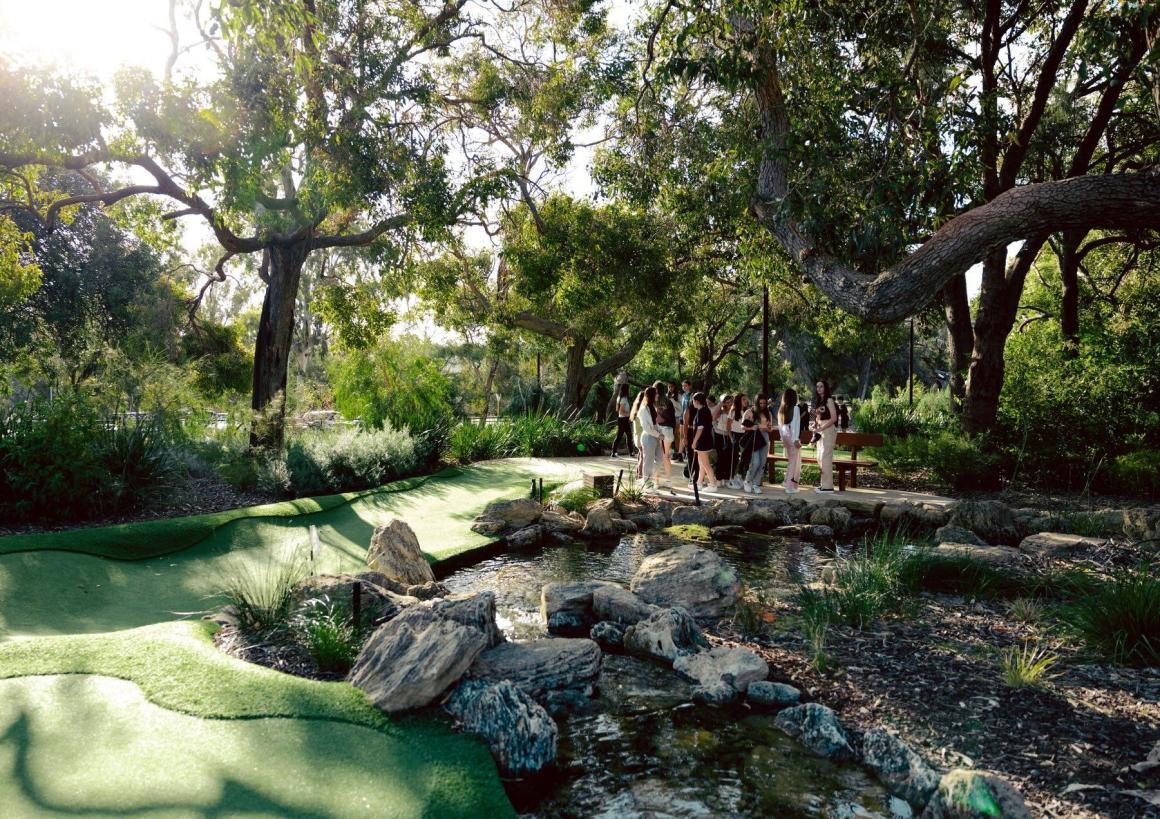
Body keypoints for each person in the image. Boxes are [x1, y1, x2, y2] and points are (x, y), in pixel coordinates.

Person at [632, 386, 664, 491]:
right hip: (648, 437)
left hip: (656, 436)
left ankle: (647, 479)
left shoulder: (653, 407)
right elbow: (646, 427)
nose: (658, 395)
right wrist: (658, 434)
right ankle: (647, 483)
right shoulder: (643, 409)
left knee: (659, 460)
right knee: (648, 461)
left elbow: (655, 423)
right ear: (652, 395)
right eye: (656, 393)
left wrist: (660, 432)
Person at [742, 393, 774, 494]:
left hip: (764, 437)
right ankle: (747, 480)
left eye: (764, 403)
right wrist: (752, 427)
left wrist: (768, 428)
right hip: (754, 438)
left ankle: (756, 484)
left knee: (762, 462)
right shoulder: (750, 412)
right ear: (756, 402)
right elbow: (742, 427)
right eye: (760, 403)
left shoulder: (768, 413)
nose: (762, 405)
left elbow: (770, 428)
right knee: (755, 462)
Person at [813, 379, 839, 492]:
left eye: (821, 386)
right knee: (819, 457)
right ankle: (823, 484)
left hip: (828, 430)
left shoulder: (829, 400)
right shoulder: (819, 401)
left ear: (825, 388)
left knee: (825, 458)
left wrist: (822, 427)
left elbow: (834, 418)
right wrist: (815, 424)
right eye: (817, 386)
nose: (819, 388)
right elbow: (818, 417)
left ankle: (828, 487)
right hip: (820, 430)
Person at [689, 392, 718, 490]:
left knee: (705, 464)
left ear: (696, 401)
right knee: (701, 463)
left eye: (693, 400)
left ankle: (713, 485)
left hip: (702, 442)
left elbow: (700, 429)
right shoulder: (704, 410)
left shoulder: (702, 412)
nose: (692, 402)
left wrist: (694, 442)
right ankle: (699, 483)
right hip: (705, 440)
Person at [652, 380, 676, 490]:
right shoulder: (668, 401)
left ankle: (656, 482)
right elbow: (673, 418)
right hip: (669, 430)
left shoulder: (654, 401)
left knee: (657, 457)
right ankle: (669, 481)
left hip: (660, 430)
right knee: (666, 457)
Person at [778, 388, 803, 493]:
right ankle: (789, 487)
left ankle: (787, 482)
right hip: (792, 436)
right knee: (793, 462)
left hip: (785, 436)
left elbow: (780, 426)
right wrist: (796, 439)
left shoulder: (782, 409)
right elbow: (796, 425)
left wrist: (782, 439)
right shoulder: (796, 408)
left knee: (791, 461)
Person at [729, 392, 750, 490]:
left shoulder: (747, 411)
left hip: (744, 435)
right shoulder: (733, 411)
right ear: (739, 401)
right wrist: (731, 438)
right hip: (735, 435)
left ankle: (739, 475)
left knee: (745, 456)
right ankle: (731, 479)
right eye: (743, 399)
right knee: (734, 457)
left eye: (746, 399)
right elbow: (728, 426)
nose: (746, 401)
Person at [713, 394, 734, 486]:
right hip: (719, 435)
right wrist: (721, 404)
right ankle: (718, 478)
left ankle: (725, 477)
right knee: (720, 456)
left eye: (731, 402)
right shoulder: (720, 411)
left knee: (727, 457)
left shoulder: (734, 411)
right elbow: (713, 417)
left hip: (729, 436)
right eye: (727, 402)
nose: (729, 404)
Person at [611, 383, 633, 458]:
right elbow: (620, 411)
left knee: (621, 436)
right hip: (624, 419)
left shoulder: (619, 397)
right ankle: (631, 452)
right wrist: (630, 414)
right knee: (628, 436)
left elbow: (617, 409)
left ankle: (614, 452)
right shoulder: (624, 399)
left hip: (621, 419)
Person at [667, 382, 682, 461]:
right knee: (669, 435)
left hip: (676, 418)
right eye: (669, 387)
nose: (670, 388)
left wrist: (673, 401)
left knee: (676, 436)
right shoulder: (667, 396)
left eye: (671, 387)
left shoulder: (679, 396)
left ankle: (677, 453)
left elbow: (681, 408)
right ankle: (670, 452)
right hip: (669, 418)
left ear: (675, 387)